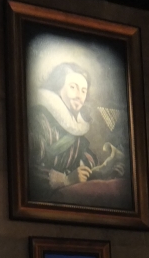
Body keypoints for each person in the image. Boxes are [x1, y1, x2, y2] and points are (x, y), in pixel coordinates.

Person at [28, 61, 127, 203]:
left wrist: (102, 168)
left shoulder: (76, 127)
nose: (79, 96)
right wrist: (66, 179)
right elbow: (29, 169)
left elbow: (84, 160)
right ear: (58, 87)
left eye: (83, 91)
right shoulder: (39, 120)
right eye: (73, 87)